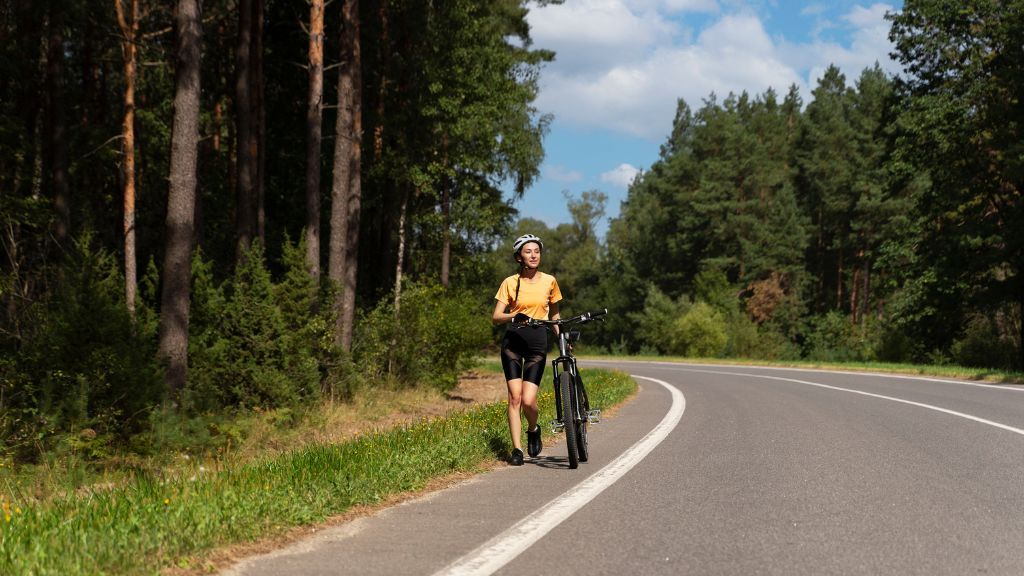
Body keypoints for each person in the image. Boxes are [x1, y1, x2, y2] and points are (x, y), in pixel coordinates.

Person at [492, 233, 562, 466]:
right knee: (515, 398)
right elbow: (496, 316)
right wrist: (514, 315)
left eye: (537, 251)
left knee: (529, 401)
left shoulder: (549, 281)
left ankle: (533, 429)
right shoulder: (510, 282)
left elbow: (554, 315)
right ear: (519, 257)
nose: (533, 255)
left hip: (537, 343)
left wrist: (562, 338)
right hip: (513, 343)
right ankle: (517, 449)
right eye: (528, 251)